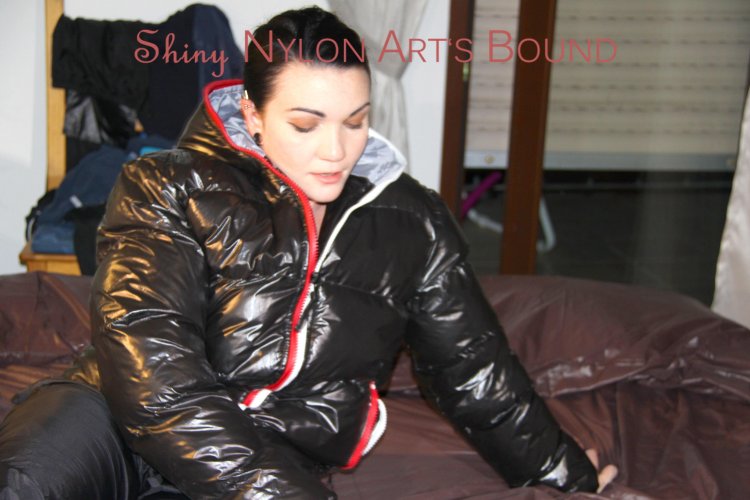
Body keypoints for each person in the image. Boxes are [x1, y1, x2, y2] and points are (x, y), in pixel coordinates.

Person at [0, 7, 616, 498]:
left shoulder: (414, 223)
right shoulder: (167, 185)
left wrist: (566, 475)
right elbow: (154, 377)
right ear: (252, 114)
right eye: (306, 124)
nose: (335, 150)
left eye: (356, 121)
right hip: (110, 418)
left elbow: (474, 371)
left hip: (274, 451)